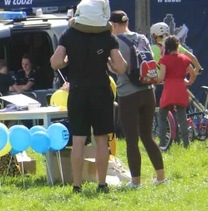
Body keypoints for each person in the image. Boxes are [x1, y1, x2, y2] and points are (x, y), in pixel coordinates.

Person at [51, 20, 127, 194]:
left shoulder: (69, 34)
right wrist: (109, 63)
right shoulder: (107, 36)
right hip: (101, 89)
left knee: (78, 139)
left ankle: (76, 186)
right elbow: (121, 67)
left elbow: (55, 62)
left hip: (77, 90)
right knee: (101, 139)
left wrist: (67, 62)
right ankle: (102, 184)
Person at [111, 11, 168, 186]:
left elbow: (119, 69)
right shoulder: (142, 38)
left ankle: (136, 182)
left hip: (128, 93)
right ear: (127, 22)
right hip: (148, 90)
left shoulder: (115, 42)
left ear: (113, 25)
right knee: (147, 136)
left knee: (131, 139)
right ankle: (161, 178)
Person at [159, 35, 198, 150]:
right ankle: (186, 144)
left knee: (162, 117)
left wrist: (155, 79)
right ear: (178, 46)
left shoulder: (164, 60)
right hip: (181, 89)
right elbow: (193, 74)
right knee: (182, 118)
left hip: (169, 90)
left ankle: (162, 144)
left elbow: (161, 77)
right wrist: (188, 83)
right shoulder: (184, 59)